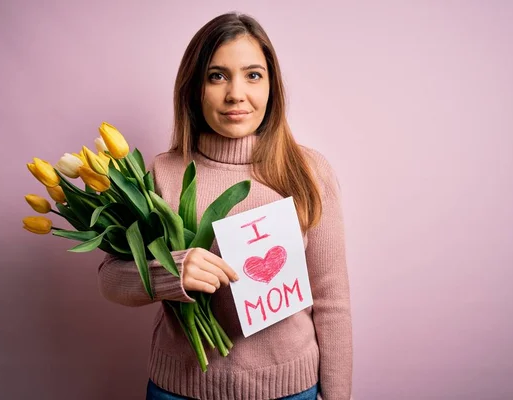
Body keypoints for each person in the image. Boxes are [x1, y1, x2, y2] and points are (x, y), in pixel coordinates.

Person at [97, 12, 353, 400]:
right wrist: (172, 274)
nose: (236, 93)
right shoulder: (163, 173)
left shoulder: (307, 171)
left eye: (253, 75)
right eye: (217, 76)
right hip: (180, 389)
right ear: (194, 88)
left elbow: (332, 300)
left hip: (289, 390)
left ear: (272, 87)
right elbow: (110, 279)